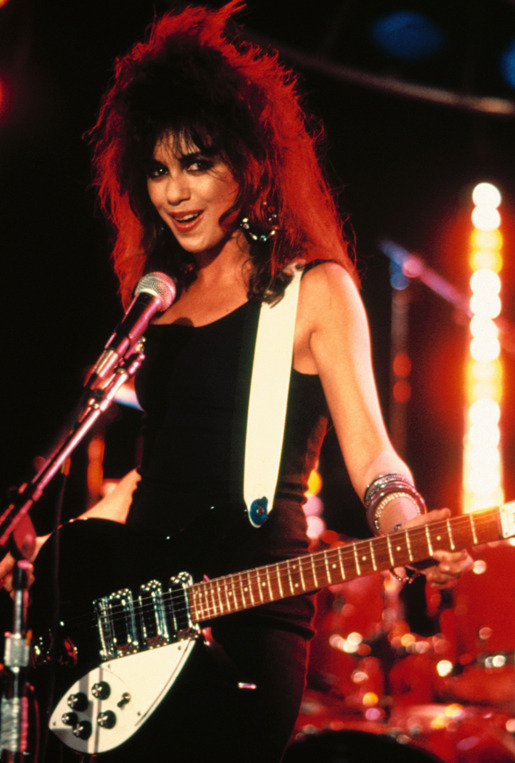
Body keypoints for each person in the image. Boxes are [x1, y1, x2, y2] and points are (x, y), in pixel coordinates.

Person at [0, 2, 472, 761]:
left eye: (197, 164)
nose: (174, 193)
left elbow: (374, 457)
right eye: (158, 170)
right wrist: (45, 545)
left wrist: (402, 523)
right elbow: (152, 472)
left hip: (243, 625)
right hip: (133, 619)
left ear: (249, 162)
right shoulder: (159, 300)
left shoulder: (311, 291)